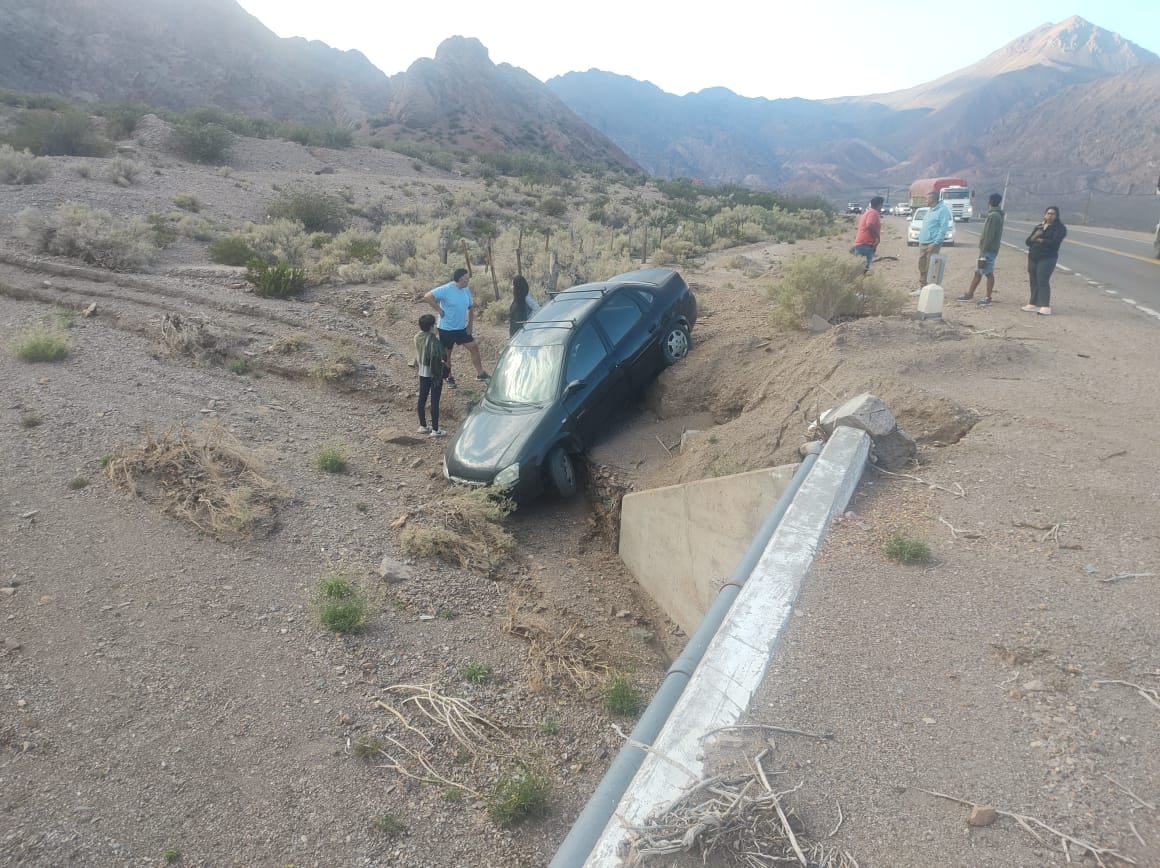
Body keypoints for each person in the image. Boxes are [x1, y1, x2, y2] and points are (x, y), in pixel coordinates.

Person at [422, 268, 489, 382]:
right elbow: (427, 296)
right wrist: (439, 310)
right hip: (446, 329)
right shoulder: (446, 289)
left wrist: (470, 325)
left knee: (474, 347)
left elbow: (470, 307)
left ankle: (480, 374)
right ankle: (449, 376)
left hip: (461, 329)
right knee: (447, 354)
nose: (468, 280)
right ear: (461, 279)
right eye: (467, 278)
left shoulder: (466, 290)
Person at [958, 193, 1005, 306]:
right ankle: (970, 294)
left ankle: (988, 297)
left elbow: (989, 234)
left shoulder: (993, 216)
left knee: (988, 273)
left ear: (989, 201)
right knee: (978, 272)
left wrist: (983, 249)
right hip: (989, 249)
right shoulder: (997, 215)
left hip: (987, 249)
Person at [1023, 206, 1066, 316]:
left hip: (1047, 257)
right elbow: (1028, 241)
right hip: (1033, 256)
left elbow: (1054, 242)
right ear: (1044, 214)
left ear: (1056, 216)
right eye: (1048, 213)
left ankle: (1045, 306)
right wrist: (1035, 236)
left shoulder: (1059, 228)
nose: (1050, 215)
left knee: (1042, 279)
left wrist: (1040, 239)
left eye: (1052, 214)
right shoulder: (1039, 226)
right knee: (1033, 279)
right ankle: (1033, 303)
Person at [413, 314, 448, 437]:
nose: (436, 326)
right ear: (431, 326)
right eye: (434, 324)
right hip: (434, 375)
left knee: (422, 398)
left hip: (422, 373)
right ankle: (435, 430)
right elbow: (439, 356)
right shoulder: (433, 340)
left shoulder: (417, 336)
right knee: (434, 401)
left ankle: (423, 426)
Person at [913, 190, 951, 294]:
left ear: (933, 199)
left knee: (931, 266)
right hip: (923, 242)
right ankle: (922, 287)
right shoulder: (929, 210)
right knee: (922, 264)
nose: (926, 200)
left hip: (933, 243)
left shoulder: (942, 211)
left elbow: (943, 228)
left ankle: (929, 288)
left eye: (927, 198)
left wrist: (937, 241)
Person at [852, 196, 884, 273]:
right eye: (881, 205)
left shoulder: (868, 212)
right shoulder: (873, 213)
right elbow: (869, 225)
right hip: (865, 245)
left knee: (859, 269)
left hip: (861, 244)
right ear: (879, 205)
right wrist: (877, 237)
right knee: (863, 270)